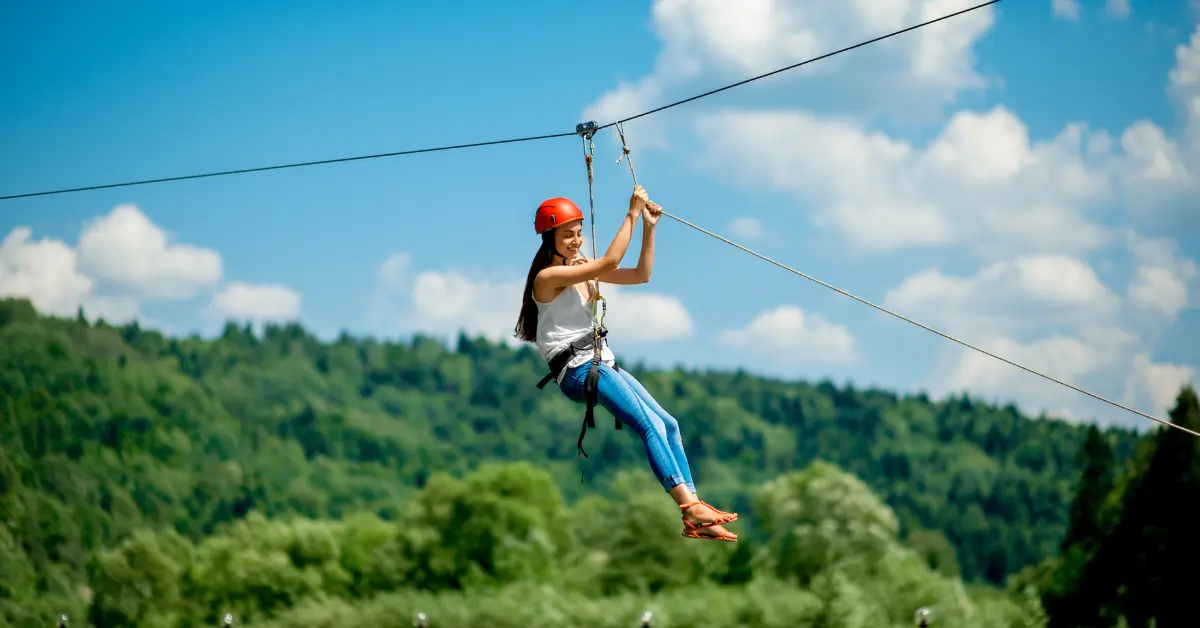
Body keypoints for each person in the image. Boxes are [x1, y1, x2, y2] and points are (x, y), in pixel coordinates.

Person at [514, 185, 738, 542]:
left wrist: (648, 227)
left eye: (578, 233)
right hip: (578, 370)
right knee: (647, 425)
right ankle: (688, 507)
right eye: (567, 236)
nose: (575, 241)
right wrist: (631, 213)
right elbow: (611, 263)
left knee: (669, 424)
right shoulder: (547, 278)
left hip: (601, 362)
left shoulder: (582, 268)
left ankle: (695, 509)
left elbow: (640, 274)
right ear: (548, 238)